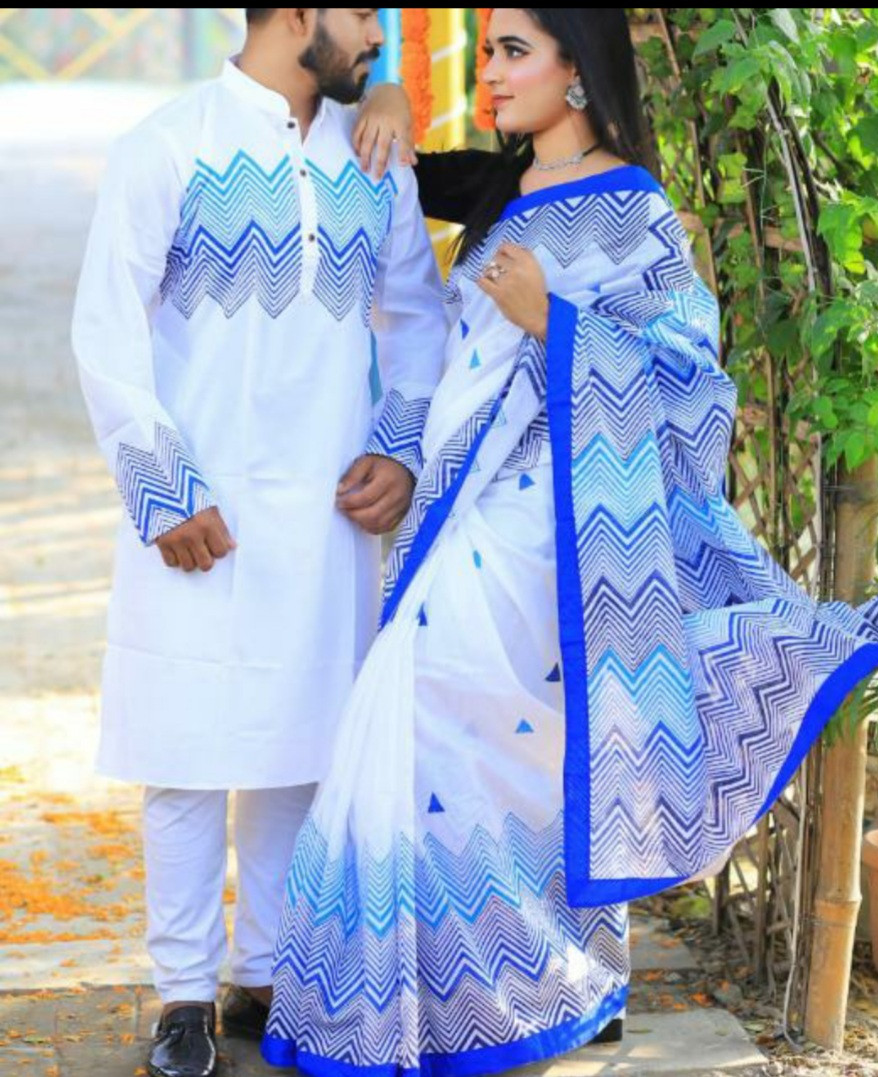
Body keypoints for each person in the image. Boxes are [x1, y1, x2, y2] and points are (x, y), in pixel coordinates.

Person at [262, 9, 878, 1077]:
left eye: (514, 52)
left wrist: (555, 322)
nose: (492, 73)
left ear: (579, 72)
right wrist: (389, 93)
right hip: (467, 505)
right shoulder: (501, 187)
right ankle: (462, 993)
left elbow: (692, 383)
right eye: (488, 50)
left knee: (467, 719)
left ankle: (514, 987)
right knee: (455, 728)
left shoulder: (635, 210)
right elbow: (386, 176)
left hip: (564, 520)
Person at [70, 9, 446, 1077]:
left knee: (300, 748)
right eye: (358, 14)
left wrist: (399, 447)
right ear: (294, 14)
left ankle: (264, 976)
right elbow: (106, 327)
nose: (374, 33)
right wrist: (161, 489)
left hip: (326, 509)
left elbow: (416, 317)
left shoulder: (374, 161)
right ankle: (183, 996)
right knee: (185, 753)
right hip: (200, 506)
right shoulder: (168, 145)